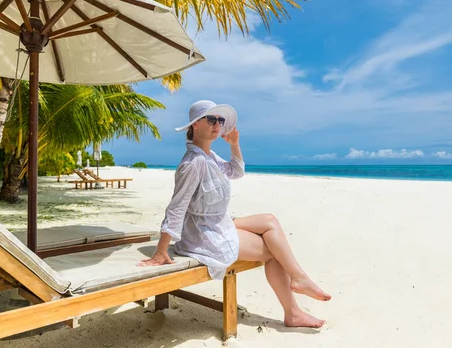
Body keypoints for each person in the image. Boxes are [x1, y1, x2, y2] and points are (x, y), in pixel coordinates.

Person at [138, 100, 331, 328]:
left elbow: (236, 172)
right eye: (211, 119)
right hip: (203, 234)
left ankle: (298, 283)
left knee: (270, 221)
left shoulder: (209, 157)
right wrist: (161, 251)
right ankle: (294, 309)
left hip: (219, 221)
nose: (217, 125)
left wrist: (234, 145)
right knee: (274, 251)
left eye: (220, 120)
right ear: (195, 125)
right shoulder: (193, 163)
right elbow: (177, 207)